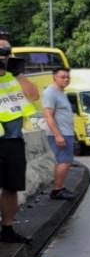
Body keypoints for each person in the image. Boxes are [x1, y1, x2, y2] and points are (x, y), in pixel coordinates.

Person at [0, 31, 41, 244]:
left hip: (14, 141)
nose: (2, 55)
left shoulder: (14, 76)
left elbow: (34, 96)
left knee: (11, 186)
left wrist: (19, 74)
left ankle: (7, 230)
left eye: (5, 51)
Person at [41, 67, 78, 201]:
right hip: (60, 133)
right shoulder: (50, 92)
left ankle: (60, 187)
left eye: (67, 77)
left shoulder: (61, 92)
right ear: (54, 77)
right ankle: (57, 190)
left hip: (66, 133)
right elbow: (48, 115)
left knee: (66, 161)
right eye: (62, 77)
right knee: (64, 161)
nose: (66, 79)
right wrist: (57, 135)